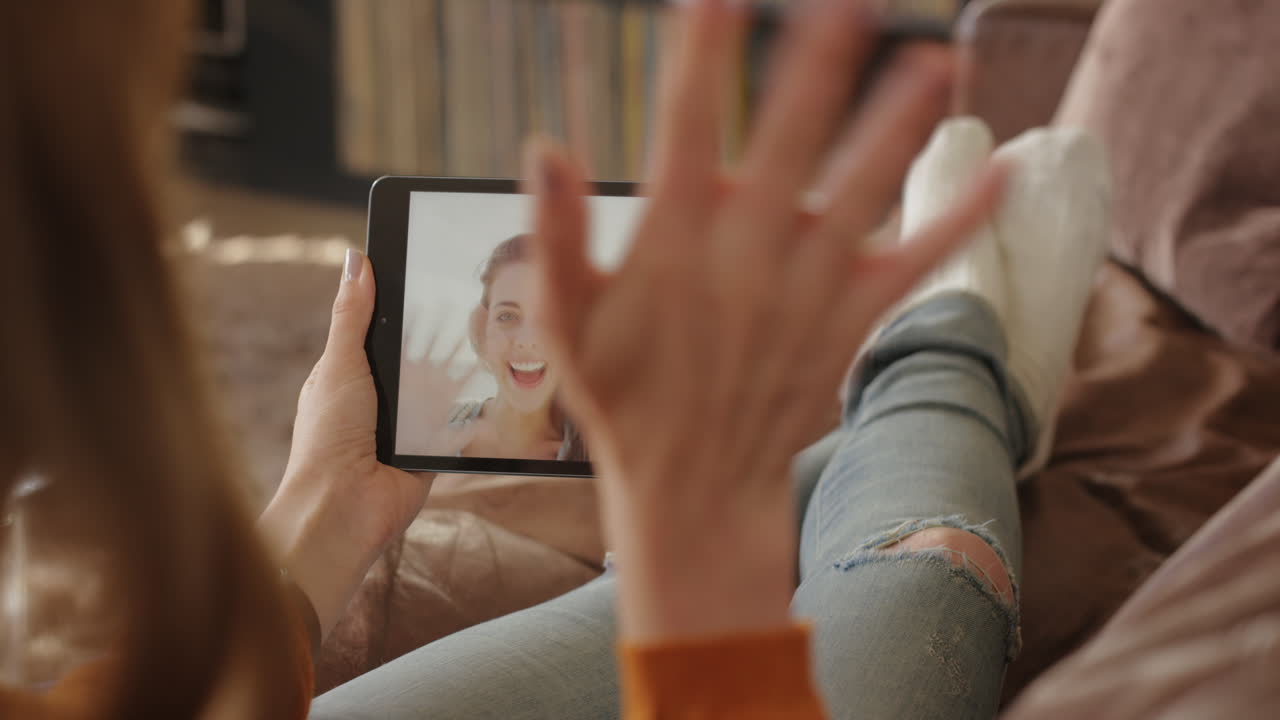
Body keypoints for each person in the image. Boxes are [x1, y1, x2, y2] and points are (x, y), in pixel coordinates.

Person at [452, 235, 587, 461]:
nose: (527, 340)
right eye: (507, 316)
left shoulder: (605, 456)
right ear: (485, 327)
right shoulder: (432, 430)